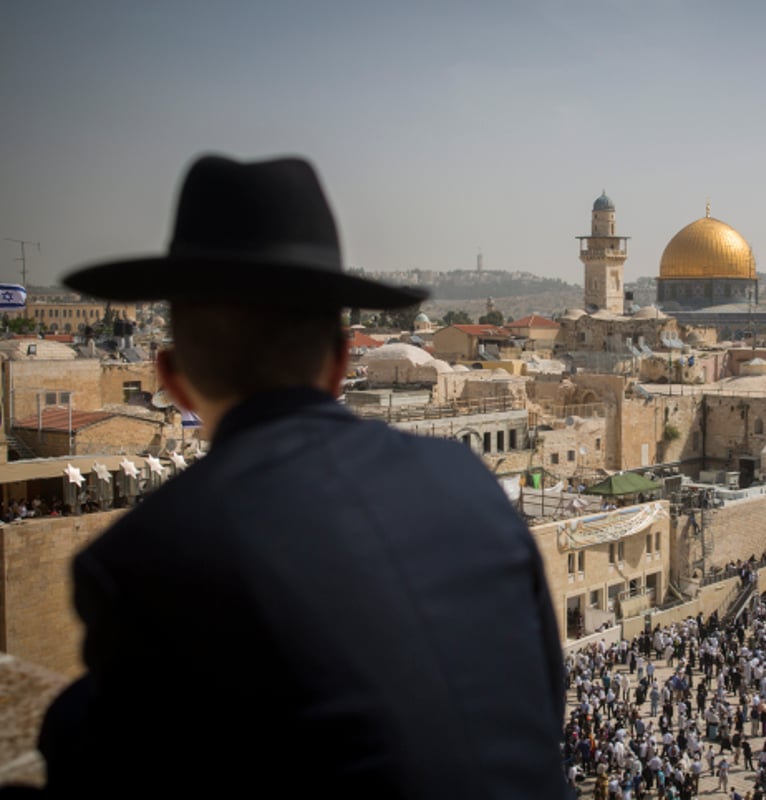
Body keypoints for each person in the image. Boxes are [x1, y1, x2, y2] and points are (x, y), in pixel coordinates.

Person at [22, 154, 572, 797]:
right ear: (341, 364)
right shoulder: (467, 481)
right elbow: (543, 694)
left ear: (172, 381)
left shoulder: (146, 555)